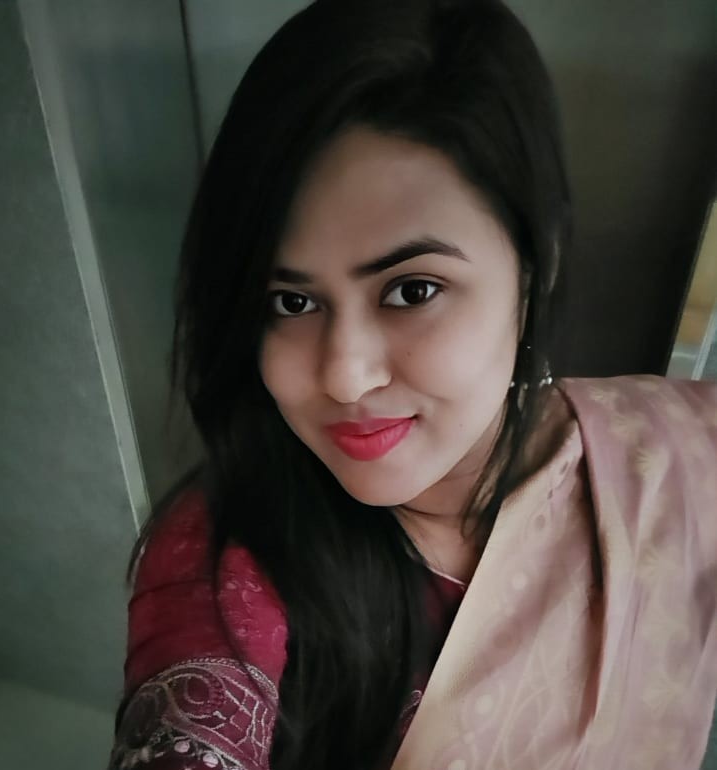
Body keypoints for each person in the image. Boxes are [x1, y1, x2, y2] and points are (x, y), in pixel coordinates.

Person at [108, 1, 717, 768]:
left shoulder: (676, 452)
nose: (344, 375)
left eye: (411, 290)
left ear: (537, 267)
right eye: (290, 302)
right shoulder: (227, 552)